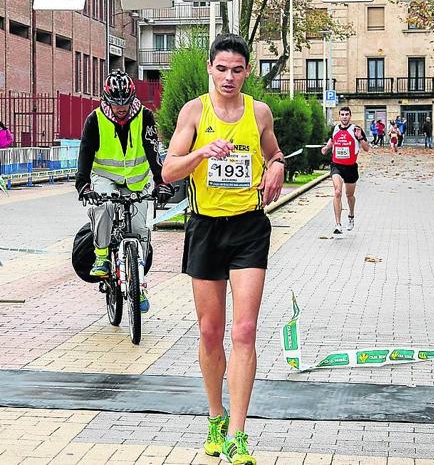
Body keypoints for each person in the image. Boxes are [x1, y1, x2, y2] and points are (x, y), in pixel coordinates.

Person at [162, 34, 284, 465]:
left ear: (247, 71)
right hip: (206, 229)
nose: (229, 77)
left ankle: (238, 434)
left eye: (237, 70)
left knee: (244, 331)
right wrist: (200, 153)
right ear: (210, 69)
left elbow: (274, 154)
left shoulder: (260, 112)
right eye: (221, 69)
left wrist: (278, 168)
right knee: (211, 333)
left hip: (250, 228)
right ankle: (216, 417)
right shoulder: (194, 111)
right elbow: (168, 171)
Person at [76, 69, 174, 313]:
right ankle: (101, 256)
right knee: (104, 207)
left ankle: (138, 285)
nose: (121, 108)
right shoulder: (95, 119)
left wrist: (161, 182)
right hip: (105, 178)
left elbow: (153, 151)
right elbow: (86, 153)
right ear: (107, 99)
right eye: (116, 103)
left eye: (126, 102)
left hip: (137, 181)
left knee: (140, 231)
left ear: (132, 98)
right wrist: (84, 185)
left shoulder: (145, 116)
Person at [321, 107, 369, 235]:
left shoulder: (356, 130)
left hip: (351, 167)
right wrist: (326, 148)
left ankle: (351, 216)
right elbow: (332, 140)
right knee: (337, 192)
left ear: (350, 116)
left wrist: (360, 138)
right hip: (336, 165)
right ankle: (338, 224)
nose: (344, 117)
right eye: (342, 114)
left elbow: (366, 148)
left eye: (347, 114)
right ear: (339, 116)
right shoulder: (335, 128)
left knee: (349, 195)